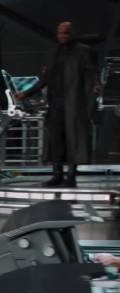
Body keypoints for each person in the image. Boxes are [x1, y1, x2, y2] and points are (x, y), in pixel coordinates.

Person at [17, 21, 100, 187]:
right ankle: (57, 175)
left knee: (72, 139)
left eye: (65, 33)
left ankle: (71, 177)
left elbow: (91, 72)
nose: (62, 36)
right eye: (60, 33)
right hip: (55, 102)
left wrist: (95, 84)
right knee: (56, 139)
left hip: (73, 102)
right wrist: (26, 92)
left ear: (72, 33)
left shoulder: (84, 51)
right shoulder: (53, 51)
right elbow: (45, 78)